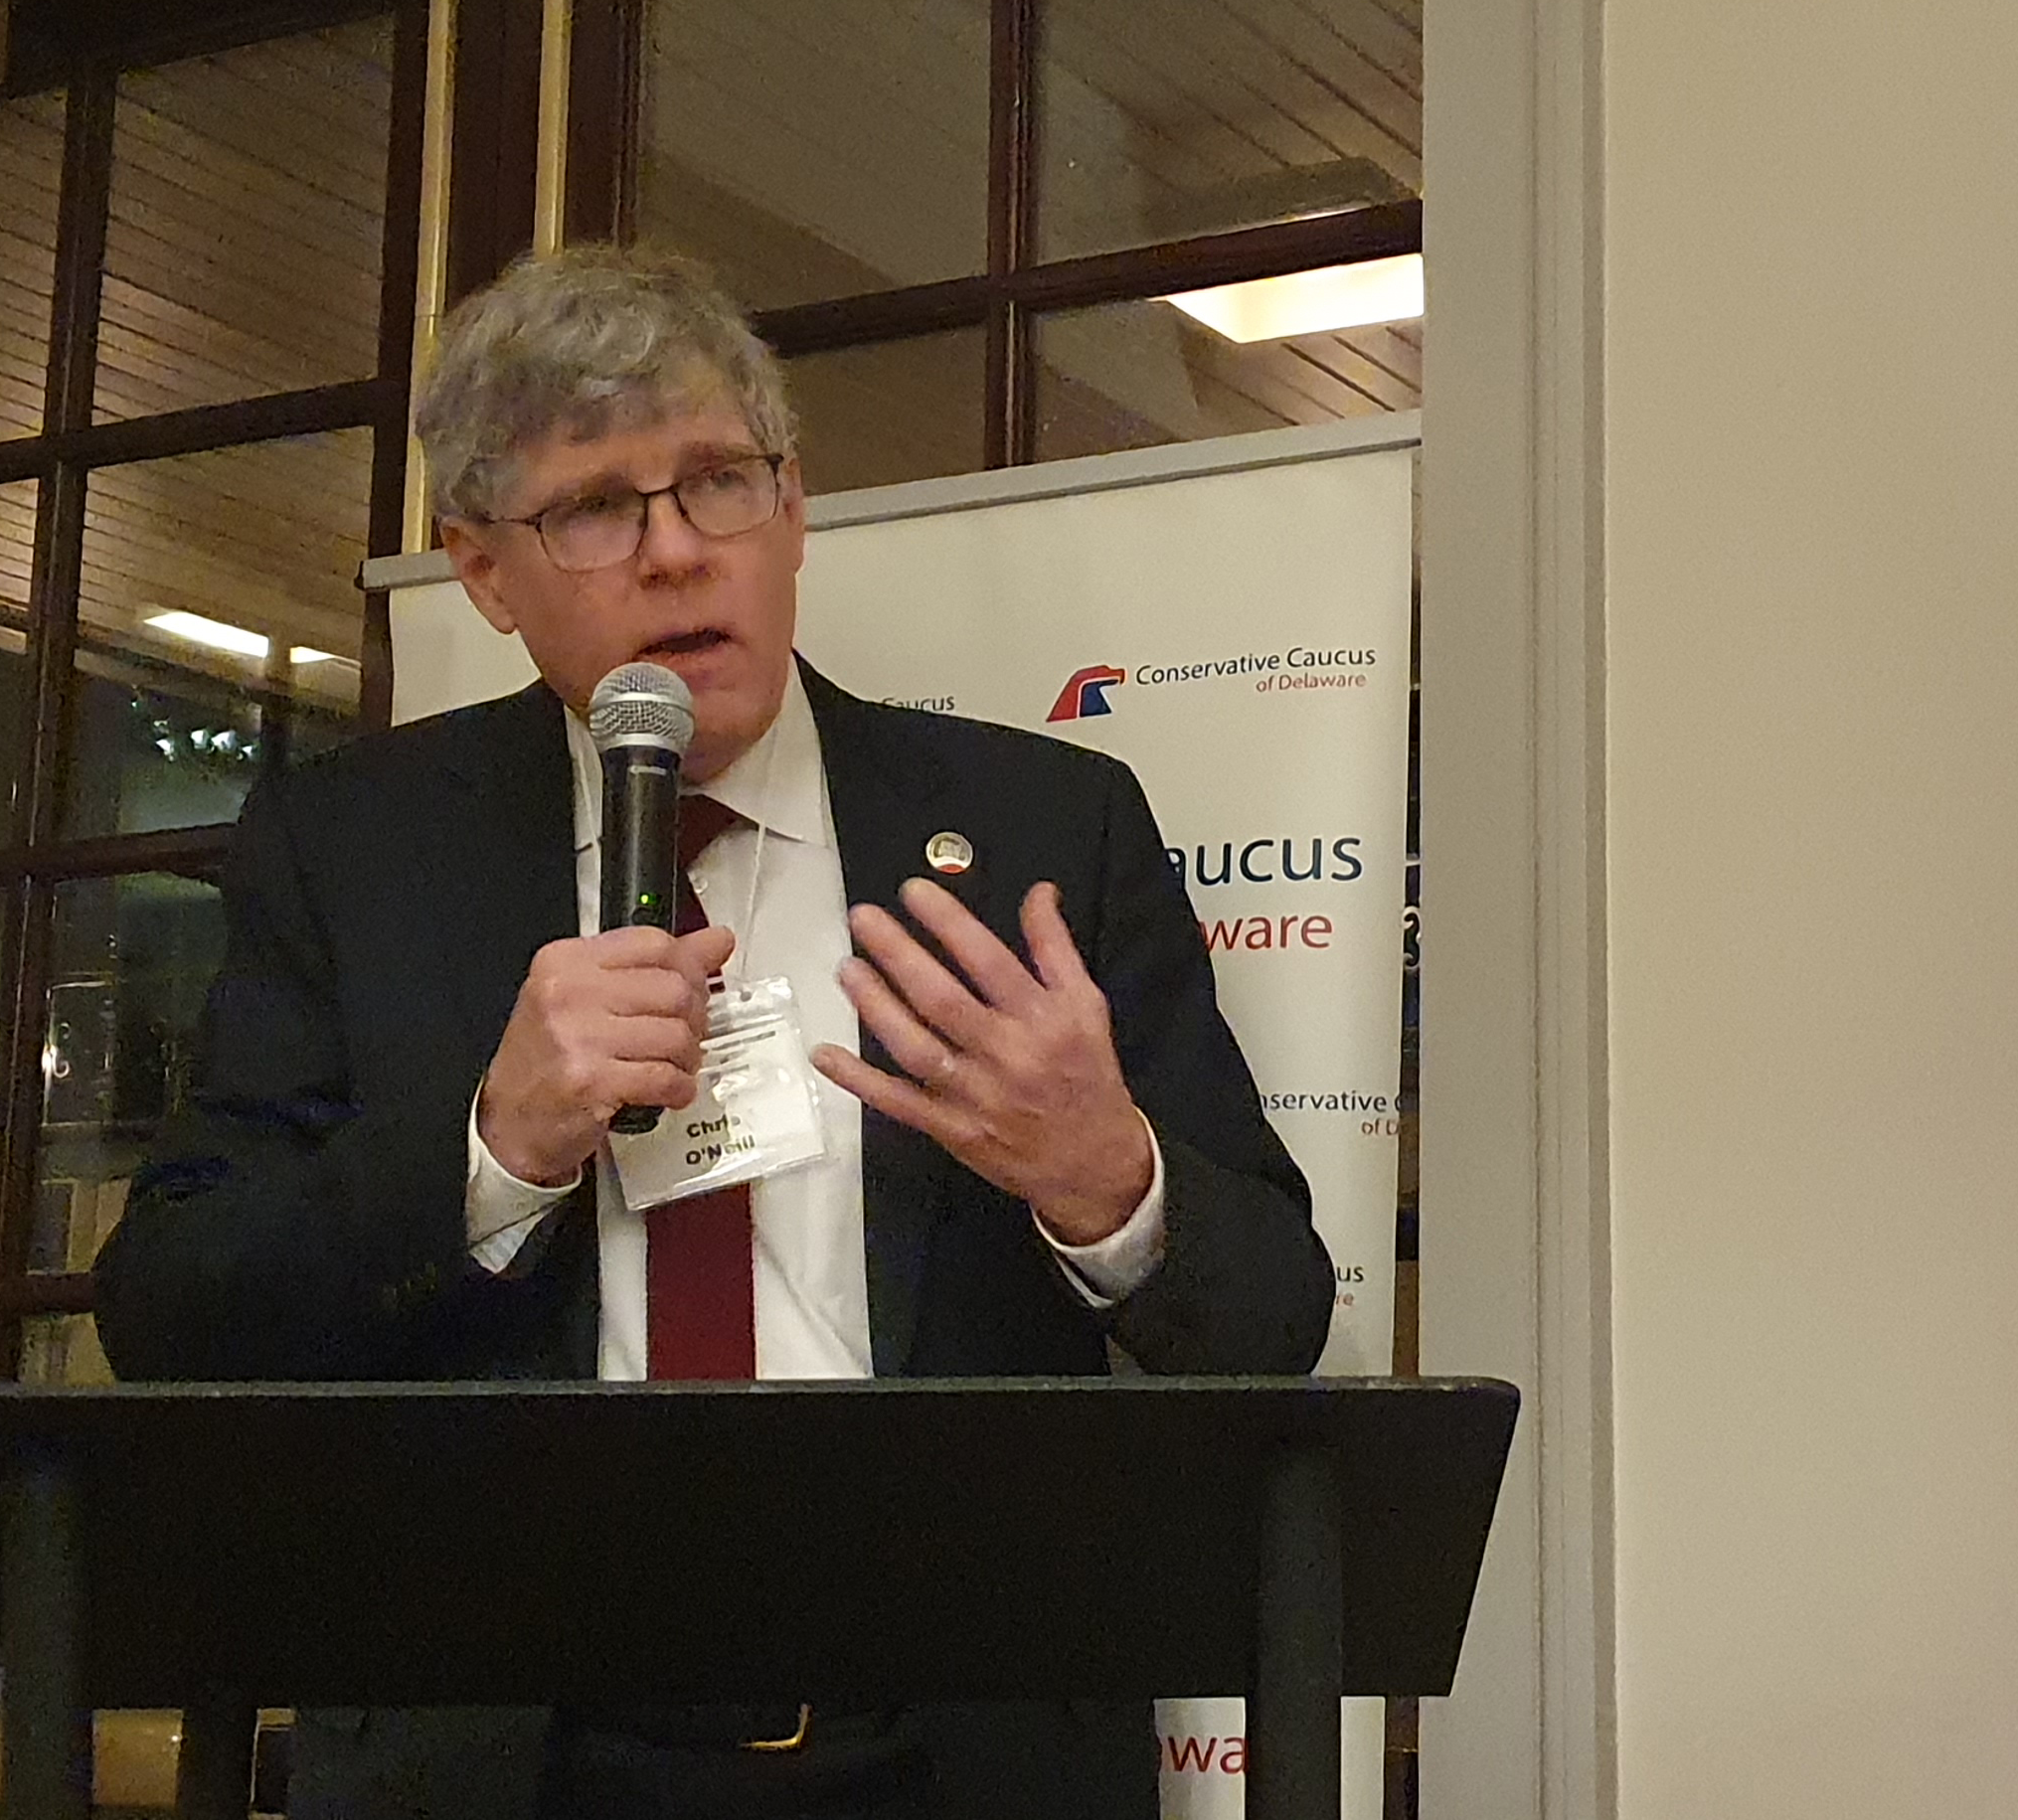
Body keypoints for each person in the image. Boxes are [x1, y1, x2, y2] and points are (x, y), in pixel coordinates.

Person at [93, 246, 1334, 1820]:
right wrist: (487, 1151)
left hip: (958, 1751)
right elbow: (176, 1309)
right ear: (482, 573)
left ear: (792, 508)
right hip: (504, 1758)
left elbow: (1273, 1314)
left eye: (717, 483)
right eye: (593, 508)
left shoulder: (1044, 830)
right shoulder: (353, 849)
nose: (676, 553)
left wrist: (1108, 1182)